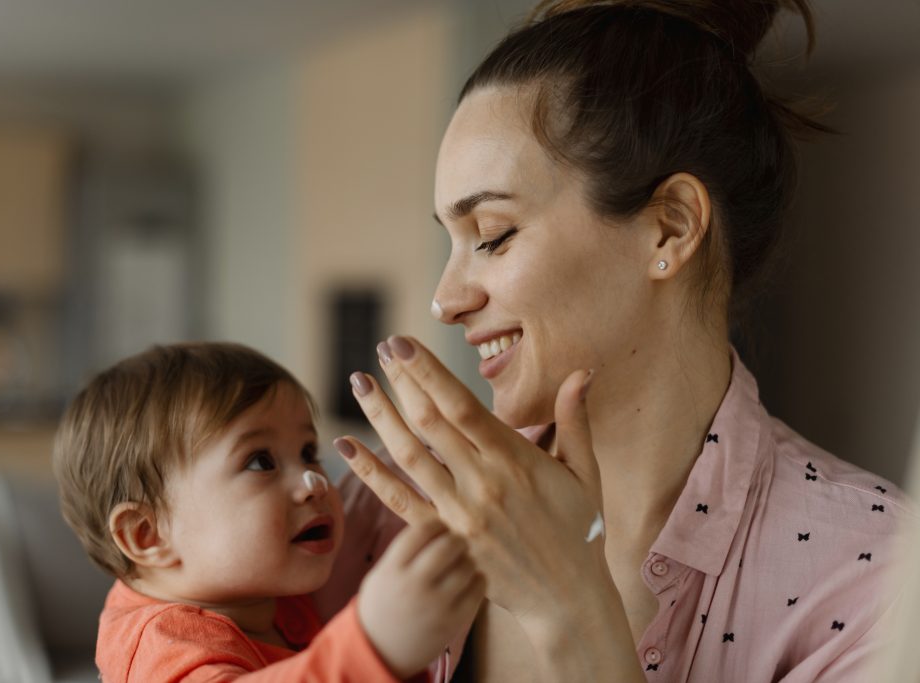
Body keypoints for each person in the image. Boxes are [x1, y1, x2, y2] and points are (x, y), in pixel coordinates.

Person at [317, 1, 918, 681]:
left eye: (492, 234)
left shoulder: (878, 578)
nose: (446, 300)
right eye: (450, 242)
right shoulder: (387, 512)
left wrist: (571, 607)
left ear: (668, 228)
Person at [52, 342, 484, 682]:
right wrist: (373, 646)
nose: (315, 482)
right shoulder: (163, 643)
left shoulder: (271, 597)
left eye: (309, 453)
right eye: (261, 461)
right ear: (149, 534)